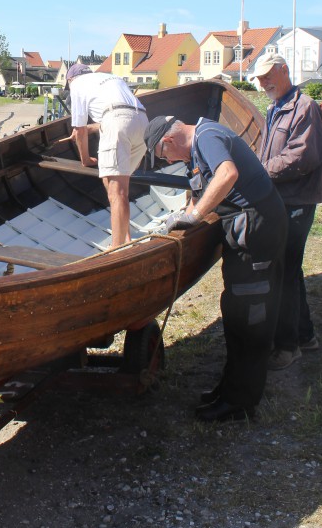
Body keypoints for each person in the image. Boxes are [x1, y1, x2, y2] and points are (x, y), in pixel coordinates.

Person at [147, 113, 287, 422]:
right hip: (244, 235)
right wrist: (177, 221)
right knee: (235, 308)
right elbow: (198, 192)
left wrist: (195, 216)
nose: (165, 160)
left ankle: (241, 403)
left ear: (168, 141)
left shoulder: (207, 137)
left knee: (251, 316)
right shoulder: (197, 149)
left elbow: (227, 174)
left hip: (257, 233)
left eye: (162, 155)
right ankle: (230, 389)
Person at [255, 54, 322, 370]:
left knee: (282, 273)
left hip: (296, 202)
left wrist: (259, 172)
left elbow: (301, 157)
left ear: (285, 71)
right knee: (291, 272)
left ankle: (287, 346)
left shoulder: (304, 107)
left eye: (268, 75)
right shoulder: (275, 108)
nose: (263, 82)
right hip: (282, 200)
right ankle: (305, 335)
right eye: (259, 78)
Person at [65, 63, 147, 248]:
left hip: (116, 124)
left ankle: (117, 249)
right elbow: (121, 115)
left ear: (70, 80)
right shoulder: (109, 78)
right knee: (113, 182)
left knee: (117, 192)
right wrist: (89, 128)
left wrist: (85, 159)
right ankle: (125, 236)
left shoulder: (77, 85)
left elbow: (79, 131)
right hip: (142, 121)